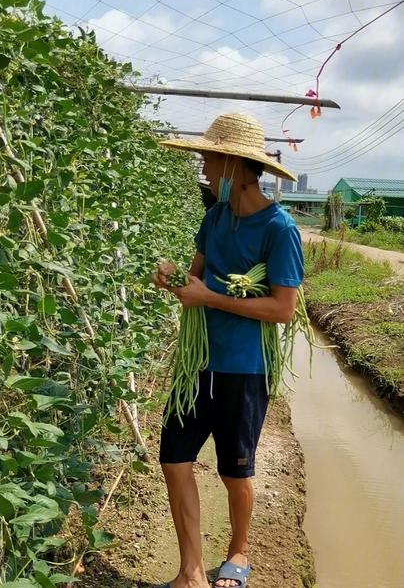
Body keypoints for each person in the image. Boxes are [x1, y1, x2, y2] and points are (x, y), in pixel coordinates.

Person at [151, 113, 304, 588]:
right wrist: (176, 279)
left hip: (243, 368)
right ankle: (192, 572)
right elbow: (197, 276)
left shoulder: (279, 230)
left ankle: (238, 550)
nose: (203, 168)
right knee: (174, 460)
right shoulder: (214, 217)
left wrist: (210, 298)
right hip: (197, 363)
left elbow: (282, 308)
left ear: (235, 166)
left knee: (235, 472)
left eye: (209, 159)